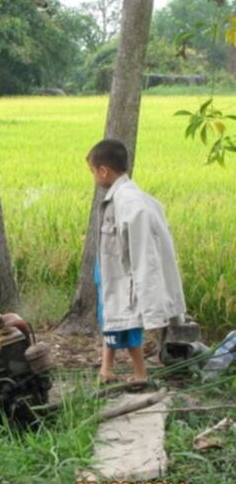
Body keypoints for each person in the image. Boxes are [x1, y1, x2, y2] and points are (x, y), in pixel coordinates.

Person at [88, 139, 186, 384]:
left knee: (128, 324)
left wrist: (140, 281)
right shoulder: (120, 196)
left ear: (103, 170)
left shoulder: (130, 202)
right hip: (109, 272)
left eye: (93, 172)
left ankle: (140, 373)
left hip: (124, 276)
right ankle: (106, 369)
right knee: (110, 318)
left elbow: (143, 251)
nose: (93, 178)